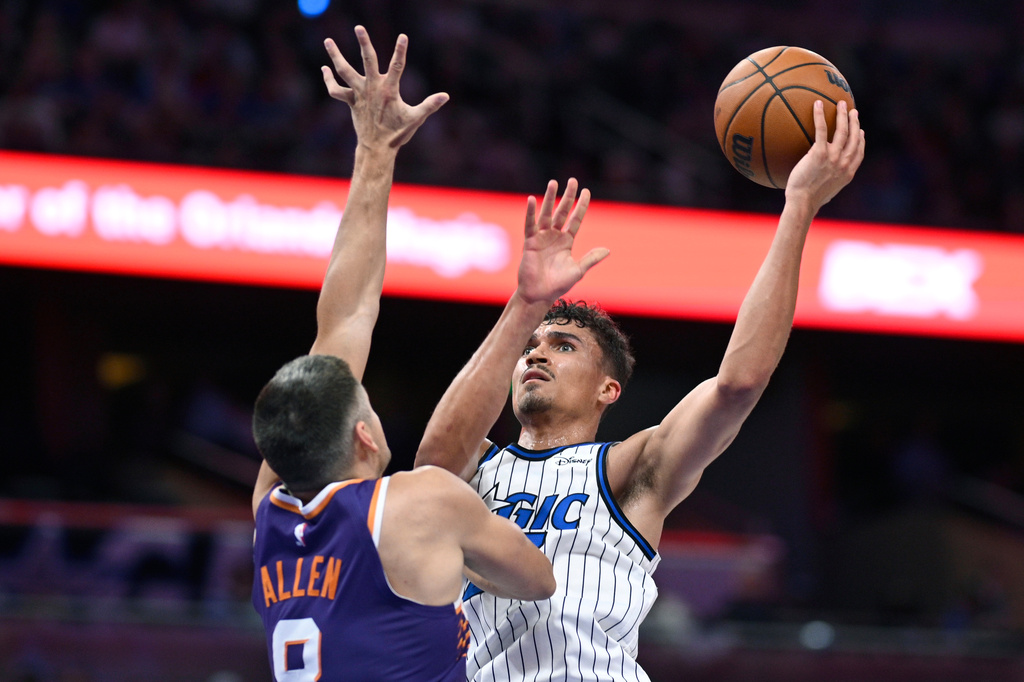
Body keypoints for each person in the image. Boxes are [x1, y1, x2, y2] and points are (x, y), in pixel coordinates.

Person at [415, 99, 866, 681]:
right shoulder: (474, 472)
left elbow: (739, 384)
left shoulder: (632, 469)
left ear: (608, 389)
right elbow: (433, 462)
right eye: (534, 345)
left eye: (564, 346)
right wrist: (525, 305)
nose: (536, 352)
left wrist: (799, 206)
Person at [248, 28, 604, 682]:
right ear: (363, 434)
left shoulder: (271, 508)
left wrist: (374, 151)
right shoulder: (421, 506)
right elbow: (535, 581)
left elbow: (346, 317)